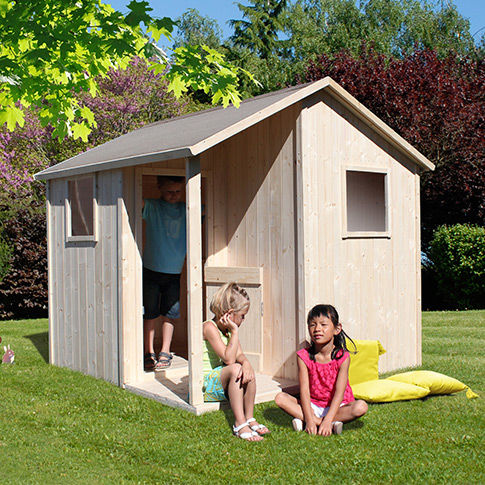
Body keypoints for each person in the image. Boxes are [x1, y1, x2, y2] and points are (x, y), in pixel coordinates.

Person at [275, 304, 367, 435]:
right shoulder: (303, 356)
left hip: (338, 406)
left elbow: (339, 393)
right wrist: (311, 419)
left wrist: (328, 419)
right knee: (280, 398)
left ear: (337, 329)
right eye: (313, 325)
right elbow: (304, 391)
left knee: (361, 407)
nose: (317, 329)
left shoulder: (343, 357)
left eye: (323, 325)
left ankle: (317, 421)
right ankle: (320, 421)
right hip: (313, 406)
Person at [203, 282, 270, 441]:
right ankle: (239, 424)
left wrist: (246, 364)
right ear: (231, 314)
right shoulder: (209, 327)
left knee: (246, 368)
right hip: (206, 385)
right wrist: (234, 331)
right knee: (235, 369)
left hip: (222, 383)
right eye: (242, 316)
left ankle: (249, 418)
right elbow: (229, 358)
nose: (244, 319)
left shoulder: (227, 331)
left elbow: (240, 356)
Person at [143, 175, 186, 372]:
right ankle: (148, 351)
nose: (173, 195)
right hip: (151, 267)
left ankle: (165, 351)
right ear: (159, 188)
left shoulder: (187, 208)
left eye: (178, 191)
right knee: (150, 312)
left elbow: (212, 209)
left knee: (170, 314)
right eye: (169, 191)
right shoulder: (152, 206)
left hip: (174, 271)